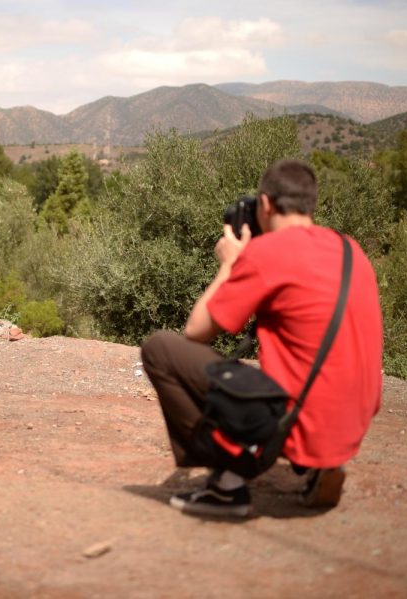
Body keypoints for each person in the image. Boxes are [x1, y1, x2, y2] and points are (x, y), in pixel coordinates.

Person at [140, 158, 383, 517]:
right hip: (353, 420)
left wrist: (229, 265)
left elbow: (196, 331)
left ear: (266, 204)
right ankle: (323, 464)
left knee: (159, 348)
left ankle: (228, 486)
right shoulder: (351, 250)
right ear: (309, 204)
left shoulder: (267, 252)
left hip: (296, 422)